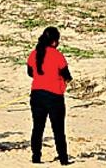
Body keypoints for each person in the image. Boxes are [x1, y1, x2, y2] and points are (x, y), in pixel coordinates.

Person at [28, 26, 72, 165]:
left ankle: (36, 157)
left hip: (37, 94)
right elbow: (67, 75)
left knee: (38, 128)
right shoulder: (57, 55)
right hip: (54, 96)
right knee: (58, 129)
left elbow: (30, 73)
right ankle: (63, 159)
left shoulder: (34, 54)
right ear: (54, 42)